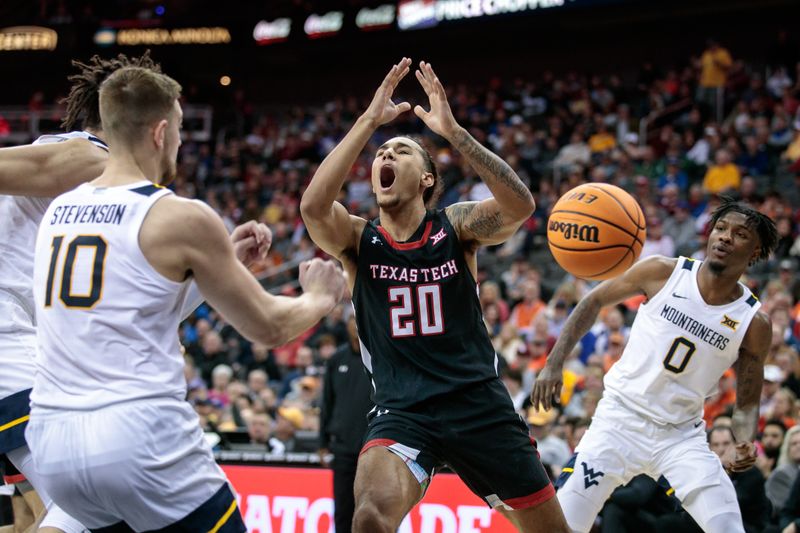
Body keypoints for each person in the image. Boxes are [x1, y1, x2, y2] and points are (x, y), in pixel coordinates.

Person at [26, 66, 345, 531]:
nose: (180, 142)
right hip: (137, 439)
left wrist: (213, 266)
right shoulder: (177, 215)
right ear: (159, 133)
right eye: (178, 129)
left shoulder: (58, 210)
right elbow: (269, 326)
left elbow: (128, 304)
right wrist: (319, 297)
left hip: (54, 443)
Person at [0, 53, 270, 533]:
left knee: (48, 515)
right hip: (14, 351)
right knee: (76, 512)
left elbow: (147, 308)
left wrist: (218, 261)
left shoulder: (100, 206)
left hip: (26, 356)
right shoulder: (88, 153)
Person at [300, 58, 568, 533]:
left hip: (478, 405)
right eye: (380, 154)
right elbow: (314, 206)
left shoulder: (456, 226)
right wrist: (368, 122)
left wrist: (455, 133)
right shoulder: (358, 241)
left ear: (426, 179)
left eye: (400, 152)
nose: (385, 157)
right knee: (369, 519)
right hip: (403, 411)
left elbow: (520, 205)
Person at [533, 199, 777, 533]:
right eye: (720, 228)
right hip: (617, 420)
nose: (724, 237)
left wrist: (745, 439)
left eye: (740, 234)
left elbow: (748, 400)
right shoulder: (663, 272)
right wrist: (554, 362)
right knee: (560, 527)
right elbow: (593, 301)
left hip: (680, 437)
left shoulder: (753, 321)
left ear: (756, 252)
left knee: (727, 527)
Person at [319, 315, 374, 533]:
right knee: (343, 511)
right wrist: (322, 442)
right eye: (352, 318)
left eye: (359, 317)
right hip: (343, 449)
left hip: (375, 449)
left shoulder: (381, 356)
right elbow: (327, 403)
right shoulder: (335, 360)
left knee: (379, 511)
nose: (356, 323)